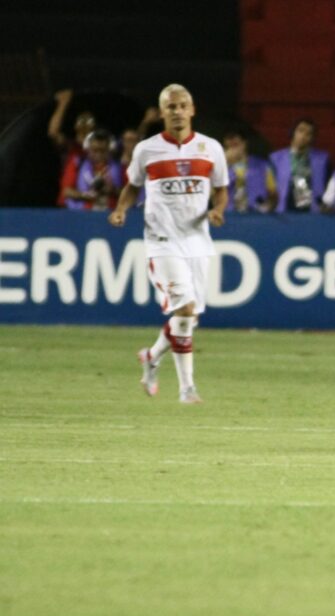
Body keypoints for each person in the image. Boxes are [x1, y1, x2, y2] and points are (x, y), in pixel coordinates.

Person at [108, 83, 229, 404]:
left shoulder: (211, 148)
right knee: (185, 310)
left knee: (188, 318)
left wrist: (218, 209)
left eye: (182, 105)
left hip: (197, 241)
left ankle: (151, 356)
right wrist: (121, 209)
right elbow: (133, 186)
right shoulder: (147, 150)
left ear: (192, 110)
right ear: (162, 113)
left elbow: (221, 189)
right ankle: (187, 388)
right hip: (162, 241)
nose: (177, 112)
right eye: (171, 107)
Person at [48, 89, 97, 206]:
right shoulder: (71, 147)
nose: (85, 129)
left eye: (88, 126)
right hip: (68, 205)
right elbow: (53, 133)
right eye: (82, 126)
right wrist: (63, 103)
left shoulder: (100, 151)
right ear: (76, 127)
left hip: (90, 206)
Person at [270, 118, 330, 213]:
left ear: (312, 137)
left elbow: (328, 185)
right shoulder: (276, 158)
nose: (303, 136)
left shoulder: (323, 159)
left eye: (308, 133)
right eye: (300, 131)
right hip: (285, 207)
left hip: (311, 208)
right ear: (292, 132)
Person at [61, 129, 123, 211]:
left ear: (109, 149)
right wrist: (84, 195)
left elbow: (130, 193)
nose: (98, 154)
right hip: (84, 213)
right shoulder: (77, 164)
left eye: (102, 151)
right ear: (88, 149)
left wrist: (112, 190)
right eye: (95, 150)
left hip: (111, 214)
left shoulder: (120, 167)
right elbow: (66, 191)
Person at [223, 130, 277, 213]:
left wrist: (268, 206)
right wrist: (224, 163)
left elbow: (273, 193)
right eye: (229, 147)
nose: (233, 151)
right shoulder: (221, 167)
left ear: (245, 144)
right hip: (229, 216)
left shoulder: (262, 166)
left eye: (236, 145)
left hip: (256, 216)